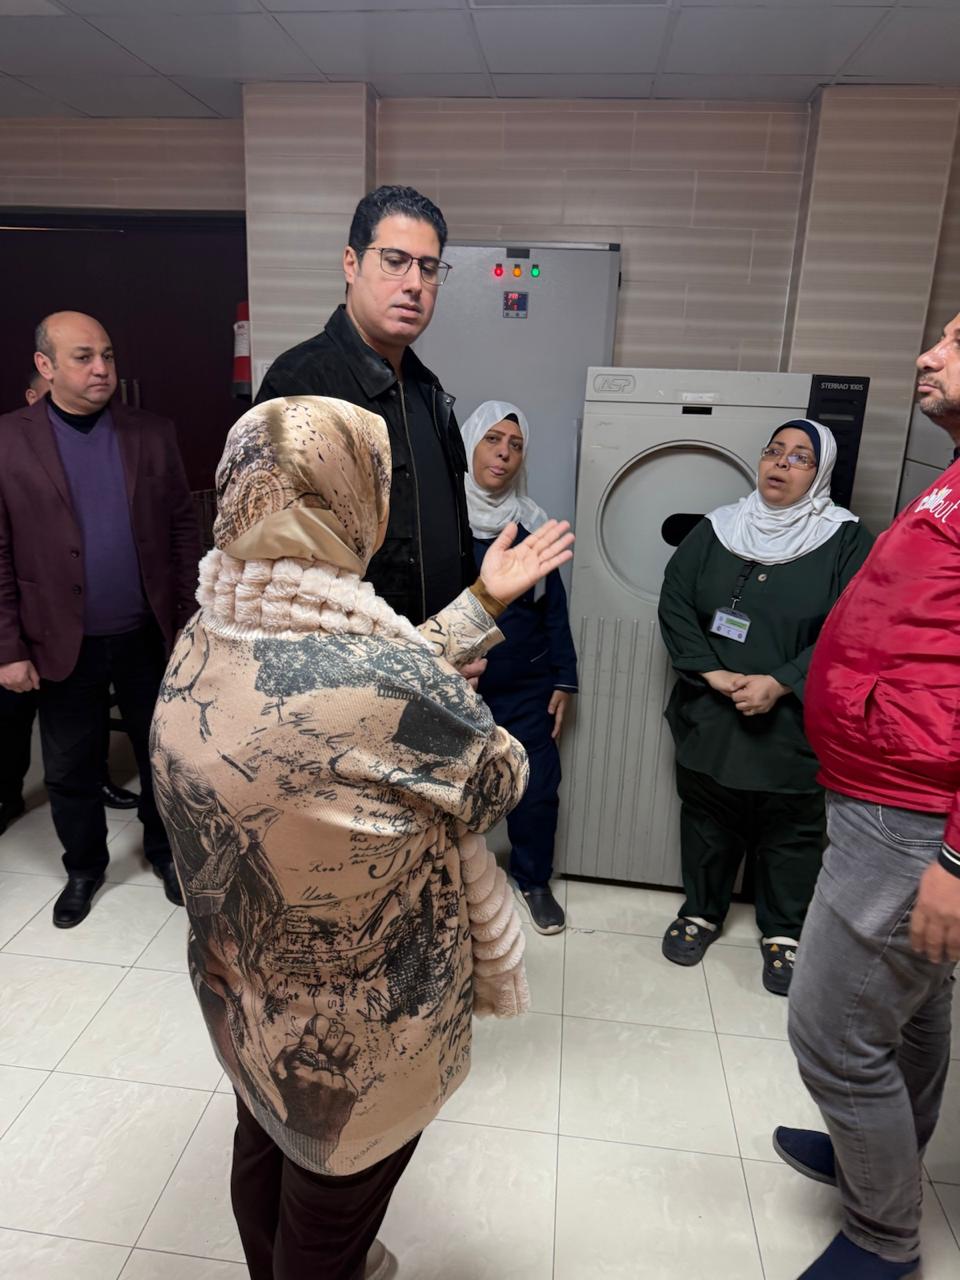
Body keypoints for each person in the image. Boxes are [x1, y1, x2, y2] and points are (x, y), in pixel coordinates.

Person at [150, 396, 574, 1280]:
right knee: (331, 1218)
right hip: (355, 1040)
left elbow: (333, 697)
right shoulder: (384, 682)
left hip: (245, 999)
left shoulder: (211, 625)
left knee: (262, 1149)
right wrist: (455, 691)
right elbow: (498, 778)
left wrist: (479, 604)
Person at [774, 313, 960, 1279]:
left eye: (959, 341)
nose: (928, 354)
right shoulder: (955, 473)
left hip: (915, 818)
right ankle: (875, 1159)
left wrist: (957, 860)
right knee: (912, 1011)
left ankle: (883, 1238)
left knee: (832, 1034)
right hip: (887, 792)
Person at [657, 419, 874, 995]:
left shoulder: (846, 540)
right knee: (707, 819)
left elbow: (852, 628)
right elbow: (675, 600)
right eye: (775, 450)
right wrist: (712, 672)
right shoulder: (719, 527)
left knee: (792, 831)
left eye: (800, 457)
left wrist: (781, 682)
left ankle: (784, 931)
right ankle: (701, 911)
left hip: (793, 725)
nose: (781, 463)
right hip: (711, 711)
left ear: (821, 473)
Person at [0, 312, 200, 925]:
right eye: (83, 357)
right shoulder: (9, 440)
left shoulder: (151, 432)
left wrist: (189, 621)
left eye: (107, 356)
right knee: (69, 767)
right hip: (60, 640)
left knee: (163, 756)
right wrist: (9, 648)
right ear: (45, 365)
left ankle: (166, 854)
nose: (101, 369)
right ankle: (84, 868)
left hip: (149, 636)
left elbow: (182, 529)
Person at [255, 185, 473, 628]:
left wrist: (461, 634)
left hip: (437, 652)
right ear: (351, 264)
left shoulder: (428, 391)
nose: (414, 284)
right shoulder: (301, 386)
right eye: (395, 261)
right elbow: (269, 574)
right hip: (352, 662)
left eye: (428, 267)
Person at [0, 370, 140, 830]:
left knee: (84, 721)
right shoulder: (11, 445)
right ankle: (6, 796)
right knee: (16, 719)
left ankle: (99, 779)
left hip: (92, 624)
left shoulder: (111, 441)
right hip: (27, 621)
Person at [460, 401, 577, 935]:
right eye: (492, 439)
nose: (504, 453)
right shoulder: (440, 515)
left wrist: (563, 678)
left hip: (527, 683)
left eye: (515, 444)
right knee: (448, 788)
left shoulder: (534, 524)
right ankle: (449, 883)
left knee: (537, 787)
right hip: (455, 681)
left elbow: (554, 610)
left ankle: (533, 880)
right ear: (469, 444)